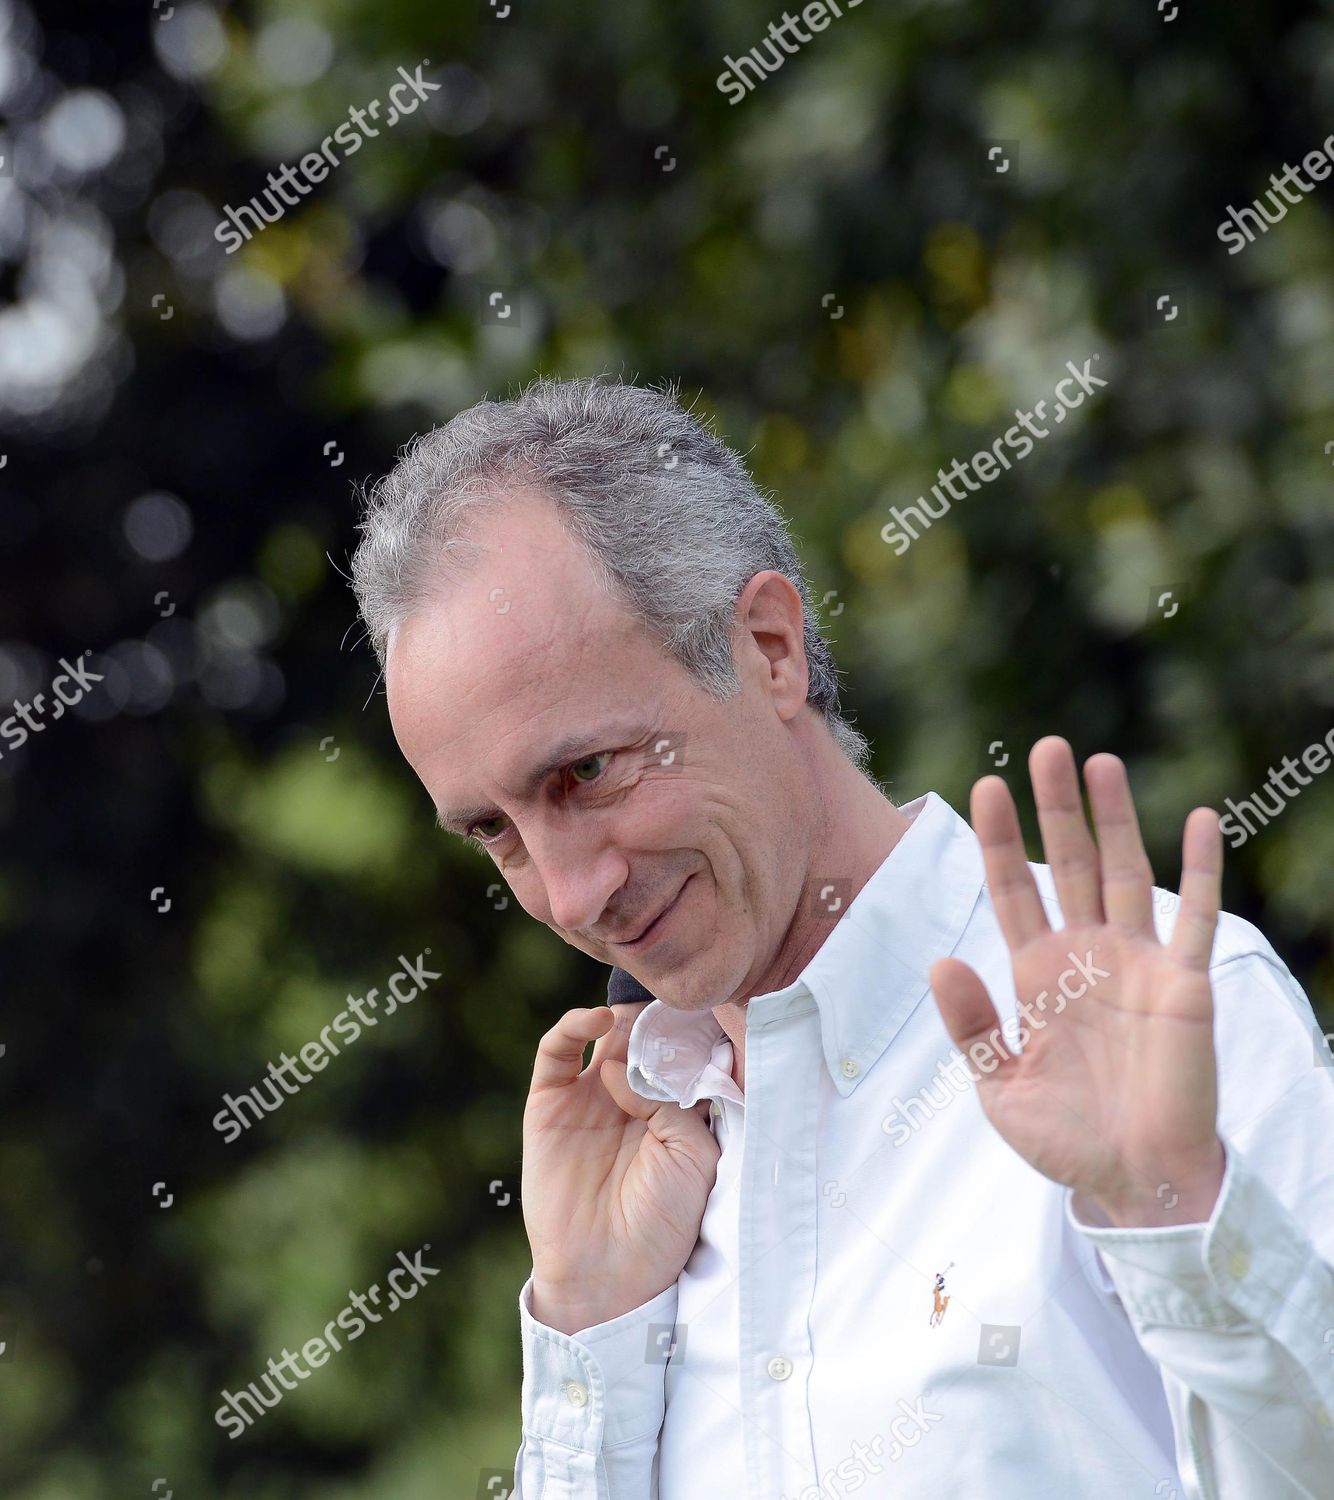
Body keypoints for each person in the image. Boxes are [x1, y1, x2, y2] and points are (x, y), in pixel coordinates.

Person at [350, 373, 1334, 1498]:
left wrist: (1183, 1215)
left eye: (584, 773)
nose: (571, 900)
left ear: (768, 648)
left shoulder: (1149, 1010)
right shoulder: (633, 1185)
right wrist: (587, 1332)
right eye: (495, 832)